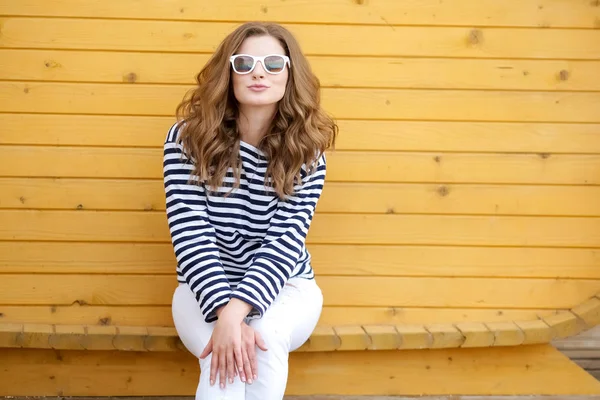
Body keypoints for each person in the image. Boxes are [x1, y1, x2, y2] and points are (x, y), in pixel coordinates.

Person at [163, 21, 338, 400]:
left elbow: (286, 240)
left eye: (274, 63)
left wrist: (238, 313)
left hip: (287, 289)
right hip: (201, 290)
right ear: (228, 74)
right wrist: (223, 310)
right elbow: (190, 234)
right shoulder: (187, 140)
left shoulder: (308, 150)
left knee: (263, 338)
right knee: (220, 354)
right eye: (244, 63)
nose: (259, 72)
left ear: (290, 74)